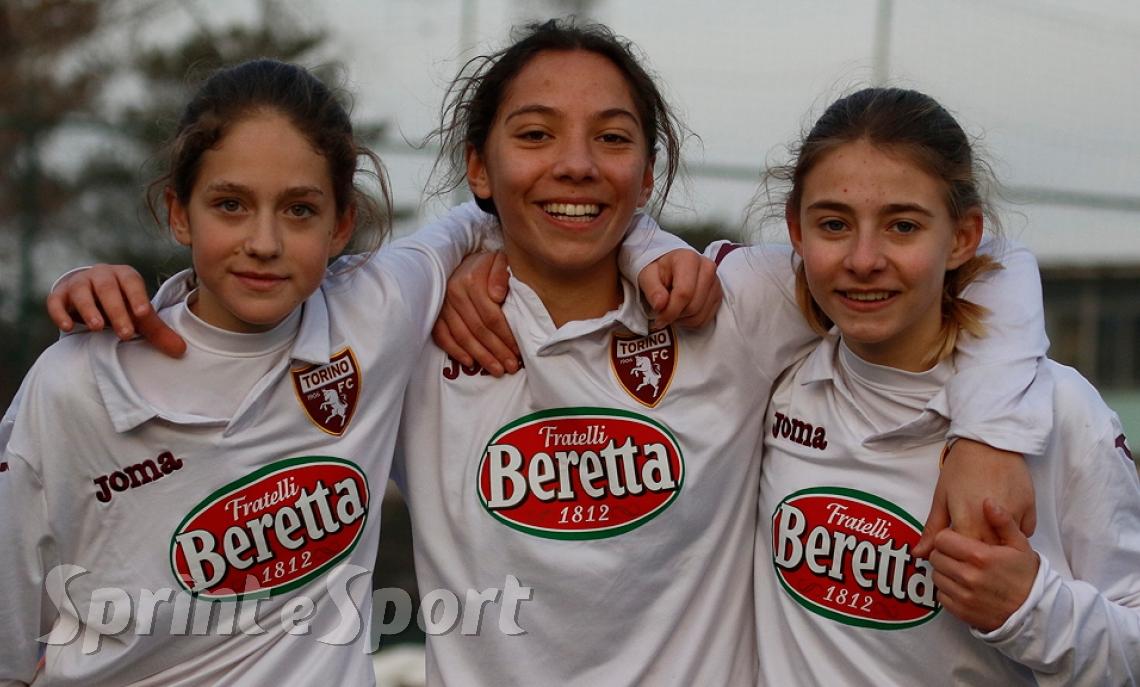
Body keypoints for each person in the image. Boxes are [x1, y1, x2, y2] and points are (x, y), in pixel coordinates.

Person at [42, 22, 1050, 685]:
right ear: (479, 167)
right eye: (535, 134)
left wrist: (992, 432)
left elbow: (984, 254)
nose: (574, 163)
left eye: (612, 138)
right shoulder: (417, 315)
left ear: (646, 172)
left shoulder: (730, 305)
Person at [0, 57, 695, 686]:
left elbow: (496, 213)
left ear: (341, 226)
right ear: (180, 212)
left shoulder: (377, 313)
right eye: (230, 204)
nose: (264, 242)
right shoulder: (75, 384)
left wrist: (649, 248)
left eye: (300, 209)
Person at [752, 86, 1140, 684]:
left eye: (902, 226)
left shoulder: (1060, 410)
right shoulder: (772, 382)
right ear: (795, 233)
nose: (863, 258)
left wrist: (1031, 609)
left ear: (961, 238)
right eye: (833, 223)